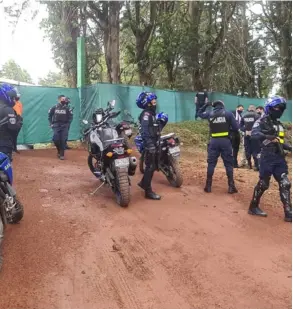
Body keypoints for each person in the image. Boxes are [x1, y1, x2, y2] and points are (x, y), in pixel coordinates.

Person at [248, 96, 292, 222]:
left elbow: (279, 142)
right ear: (270, 108)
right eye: (277, 108)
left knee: (285, 183)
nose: (279, 110)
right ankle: (253, 206)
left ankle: (288, 212)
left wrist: (289, 147)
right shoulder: (262, 120)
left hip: (279, 157)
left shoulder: (279, 125)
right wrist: (268, 136)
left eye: (281, 108)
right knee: (264, 184)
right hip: (266, 156)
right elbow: (254, 135)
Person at [198, 100, 239, 193]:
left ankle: (208, 186)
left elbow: (199, 113)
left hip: (214, 142)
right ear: (222, 105)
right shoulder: (228, 114)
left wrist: (205, 105)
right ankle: (231, 186)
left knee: (211, 164)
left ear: (214, 106)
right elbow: (236, 128)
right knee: (228, 164)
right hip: (225, 142)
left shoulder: (210, 114)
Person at [136, 92, 162, 200]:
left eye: (155, 100)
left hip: (154, 143)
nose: (155, 102)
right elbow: (145, 131)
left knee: (152, 167)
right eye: (153, 100)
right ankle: (148, 191)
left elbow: (154, 129)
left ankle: (143, 183)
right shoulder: (146, 114)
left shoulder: (152, 114)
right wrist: (150, 145)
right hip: (149, 145)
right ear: (147, 103)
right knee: (150, 167)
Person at [0, 84, 22, 161]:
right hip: (4, 144)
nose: (14, 100)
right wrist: (19, 121)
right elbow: (13, 128)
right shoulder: (8, 109)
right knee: (4, 168)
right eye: (13, 97)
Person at [48, 95, 73, 160]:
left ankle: (62, 154)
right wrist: (51, 123)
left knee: (63, 140)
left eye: (65, 99)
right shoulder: (54, 107)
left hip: (64, 126)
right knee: (55, 139)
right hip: (56, 125)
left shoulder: (68, 108)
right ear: (59, 100)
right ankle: (59, 150)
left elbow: (70, 117)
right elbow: (49, 115)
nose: (64, 100)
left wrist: (67, 124)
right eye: (62, 99)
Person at [240, 105, 260, 170]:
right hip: (255, 135)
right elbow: (260, 125)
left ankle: (249, 165)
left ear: (248, 109)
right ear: (254, 110)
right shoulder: (257, 116)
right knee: (255, 150)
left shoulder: (244, 115)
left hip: (246, 135)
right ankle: (256, 165)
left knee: (247, 150)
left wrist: (245, 130)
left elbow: (240, 126)